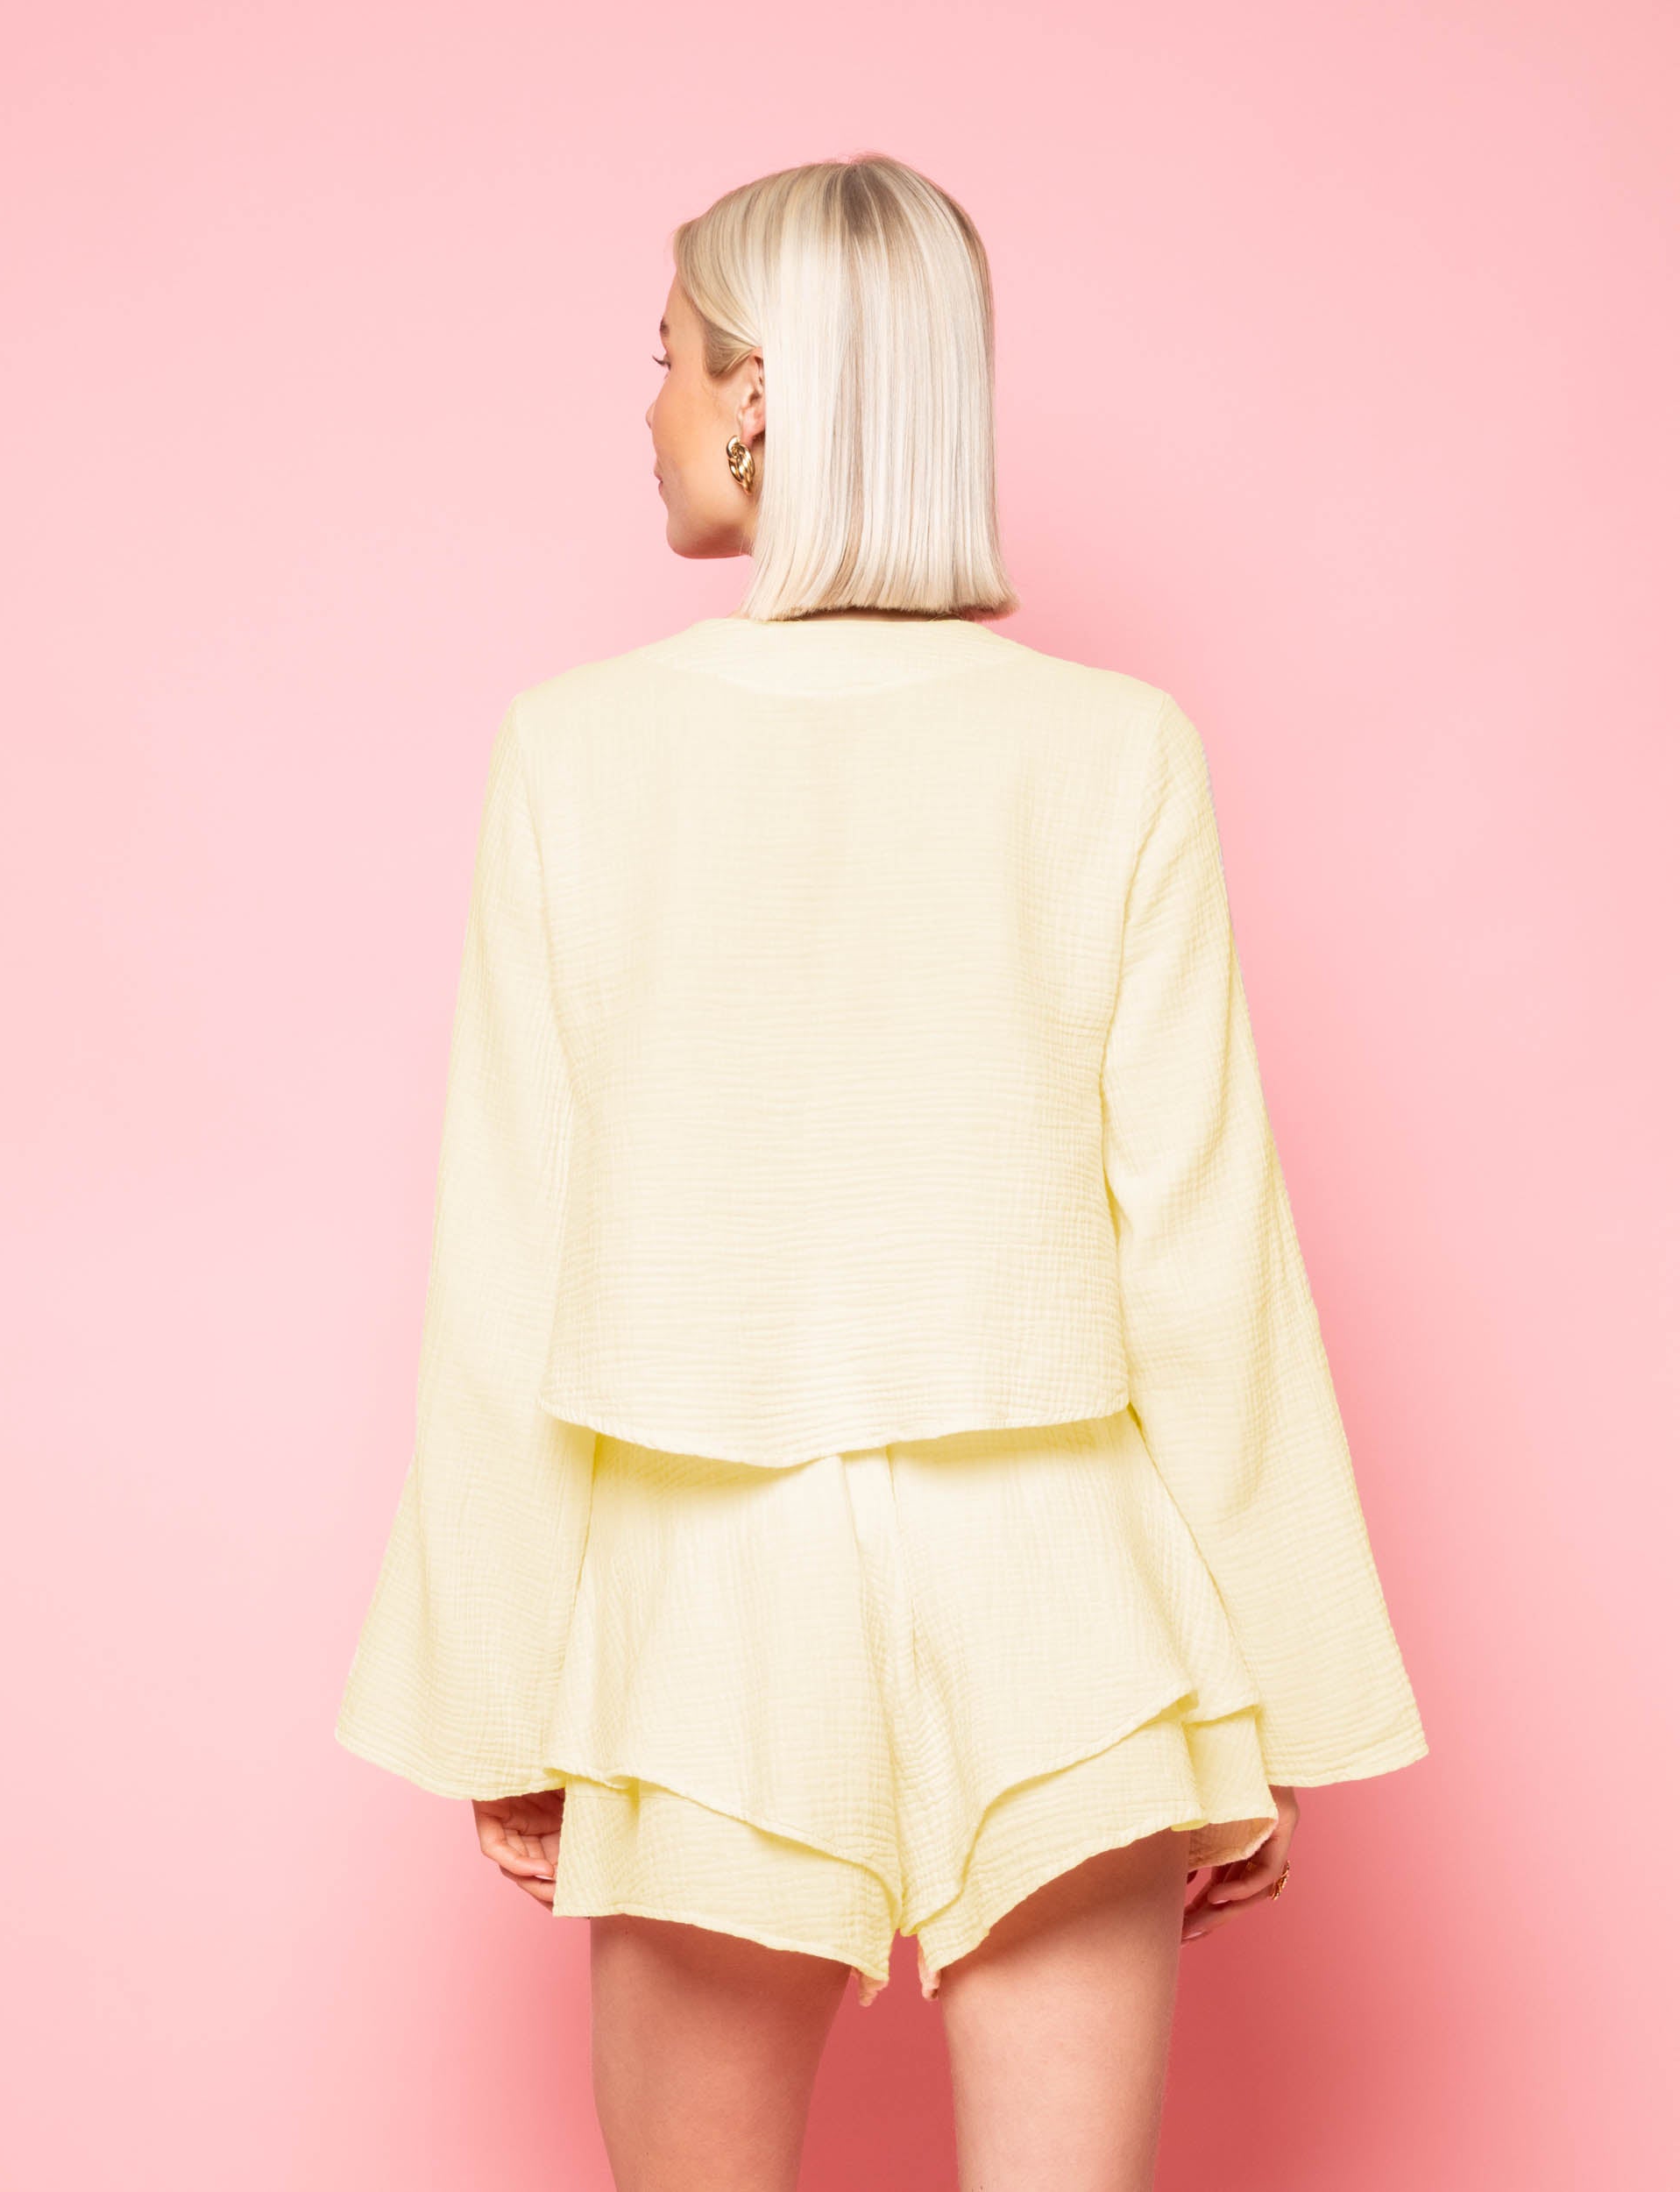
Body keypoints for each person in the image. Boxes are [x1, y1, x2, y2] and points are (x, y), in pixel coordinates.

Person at [335, 153, 1428, 2191]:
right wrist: (1271, 1699)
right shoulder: (1114, 748)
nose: (648, 408)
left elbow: (509, 1264)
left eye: (666, 359)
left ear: (754, 392)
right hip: (1065, 1594)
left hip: (704, 1595)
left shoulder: (577, 750)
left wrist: (495, 1699)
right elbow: (1206, 1261)